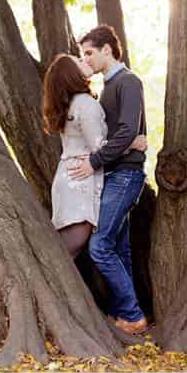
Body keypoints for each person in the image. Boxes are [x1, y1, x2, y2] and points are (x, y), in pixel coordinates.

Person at [67, 25, 150, 335]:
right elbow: (120, 136)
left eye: (89, 52)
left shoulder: (127, 82)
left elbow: (128, 130)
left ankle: (133, 314)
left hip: (125, 175)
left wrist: (94, 161)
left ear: (107, 50)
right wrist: (129, 142)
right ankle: (123, 314)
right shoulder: (106, 88)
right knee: (117, 246)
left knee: (100, 246)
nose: (85, 59)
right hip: (113, 172)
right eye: (82, 54)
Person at [42, 54, 147, 259]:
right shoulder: (85, 103)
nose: (85, 60)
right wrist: (133, 143)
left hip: (68, 178)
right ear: (71, 74)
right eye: (79, 61)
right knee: (69, 251)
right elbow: (98, 147)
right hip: (79, 181)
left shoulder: (71, 103)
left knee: (66, 249)